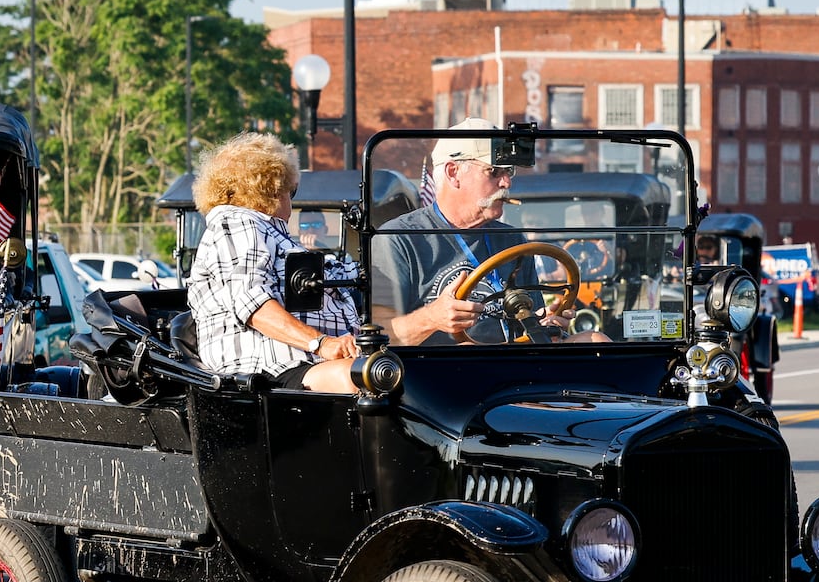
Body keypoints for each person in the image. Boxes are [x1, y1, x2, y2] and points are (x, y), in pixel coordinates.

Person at [379, 117, 603, 344]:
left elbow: (531, 323)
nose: (507, 182)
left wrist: (543, 326)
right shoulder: (399, 238)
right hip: (441, 372)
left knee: (595, 340)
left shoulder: (513, 239)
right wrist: (431, 318)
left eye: (509, 172)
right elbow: (378, 334)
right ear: (453, 172)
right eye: (494, 172)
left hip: (513, 365)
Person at [187, 132, 361, 393]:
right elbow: (251, 304)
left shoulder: (275, 236)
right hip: (269, 371)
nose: (291, 197)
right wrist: (322, 343)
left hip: (306, 363)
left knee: (399, 370)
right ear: (272, 187)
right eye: (291, 189)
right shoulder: (237, 222)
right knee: (364, 379)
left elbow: (352, 277)